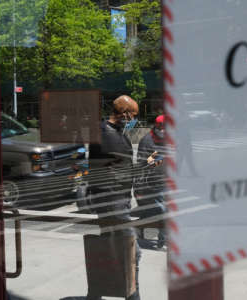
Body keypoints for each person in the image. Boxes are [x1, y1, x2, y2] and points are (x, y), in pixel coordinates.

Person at [86, 95, 151, 300]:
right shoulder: (108, 135)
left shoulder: (112, 131)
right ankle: (133, 297)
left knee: (107, 249)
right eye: (132, 115)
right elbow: (121, 170)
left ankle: (95, 294)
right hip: (111, 200)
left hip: (114, 198)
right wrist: (145, 163)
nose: (133, 120)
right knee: (132, 251)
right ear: (123, 113)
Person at [135, 115, 167, 248]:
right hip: (152, 183)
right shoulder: (146, 140)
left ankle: (140, 232)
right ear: (159, 126)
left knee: (150, 212)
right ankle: (162, 241)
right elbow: (142, 163)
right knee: (164, 211)